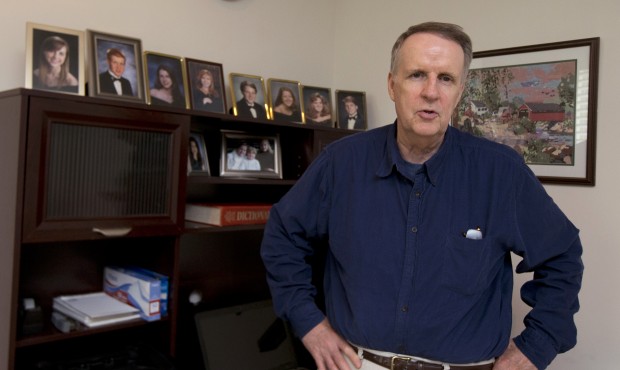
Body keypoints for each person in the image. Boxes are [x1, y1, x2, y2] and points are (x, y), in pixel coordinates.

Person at [261, 22, 583, 370]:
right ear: (392, 85)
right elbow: (283, 234)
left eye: (446, 78)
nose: (431, 92)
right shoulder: (341, 163)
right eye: (417, 75)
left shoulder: (501, 172)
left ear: (459, 92)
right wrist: (309, 324)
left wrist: (536, 347)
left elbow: (562, 254)